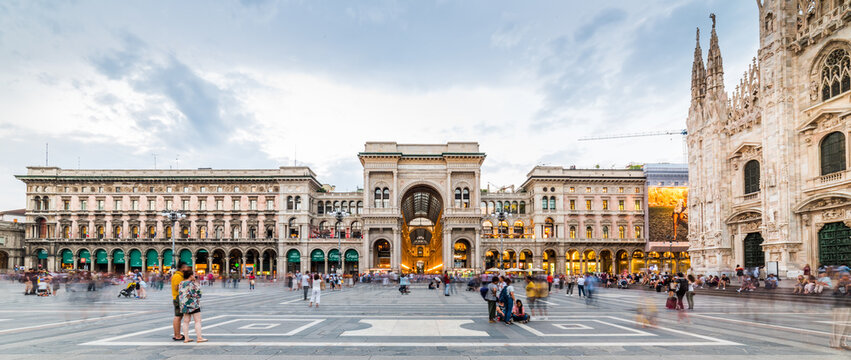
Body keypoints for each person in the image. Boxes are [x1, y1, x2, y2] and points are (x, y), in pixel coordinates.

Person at [179, 270, 206, 343]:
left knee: (185, 321)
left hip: (184, 304)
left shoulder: (181, 283)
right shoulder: (192, 284)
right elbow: (199, 294)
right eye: (193, 275)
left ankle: (186, 338)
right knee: (197, 321)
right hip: (193, 304)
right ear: (190, 276)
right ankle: (199, 338)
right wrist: (197, 284)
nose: (194, 276)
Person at [171, 262, 192, 341]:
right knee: (178, 316)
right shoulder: (178, 276)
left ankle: (177, 334)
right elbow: (177, 287)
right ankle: (177, 335)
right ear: (182, 268)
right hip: (178, 297)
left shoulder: (179, 275)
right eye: (186, 267)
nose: (187, 269)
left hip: (179, 297)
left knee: (179, 316)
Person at [830, 271, 850, 350]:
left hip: (848, 307)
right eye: (846, 276)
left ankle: (843, 342)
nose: (848, 277)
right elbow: (843, 294)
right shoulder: (840, 285)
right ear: (841, 277)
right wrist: (847, 288)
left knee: (847, 327)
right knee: (839, 326)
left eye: (848, 276)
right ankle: (835, 344)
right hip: (840, 307)